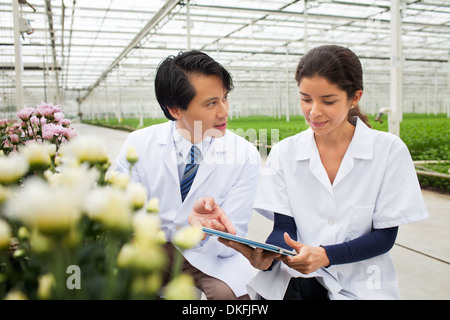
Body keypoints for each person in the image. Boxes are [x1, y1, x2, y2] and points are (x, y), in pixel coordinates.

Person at [190, 45, 429, 300]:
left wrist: (325, 256)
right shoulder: (285, 152)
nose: (314, 111)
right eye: (306, 99)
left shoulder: (388, 151)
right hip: (298, 283)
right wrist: (269, 255)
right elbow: (284, 227)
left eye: (328, 101)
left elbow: (384, 236)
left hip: (365, 285)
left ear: (354, 97)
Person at [115, 50, 261, 300]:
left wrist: (209, 230)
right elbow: (120, 212)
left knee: (232, 298)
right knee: (120, 285)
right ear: (175, 109)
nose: (224, 112)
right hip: (152, 247)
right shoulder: (138, 144)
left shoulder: (245, 154)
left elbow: (233, 237)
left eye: (225, 98)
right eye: (211, 103)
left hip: (208, 253)